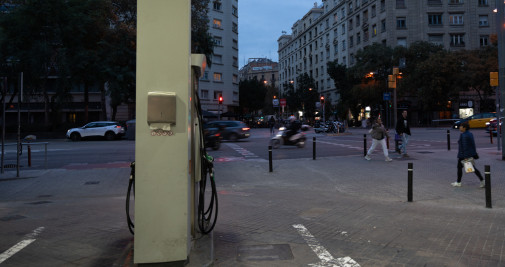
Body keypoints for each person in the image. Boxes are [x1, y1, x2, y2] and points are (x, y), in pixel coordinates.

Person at [451, 122, 485, 188]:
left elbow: (465, 146)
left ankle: (482, 181)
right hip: (467, 154)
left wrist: (465, 157)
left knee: (471, 168)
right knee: (463, 168)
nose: (459, 127)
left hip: (464, 155)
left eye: (461, 126)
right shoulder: (469, 134)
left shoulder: (464, 135)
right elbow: (472, 145)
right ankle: (458, 182)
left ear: (464, 128)